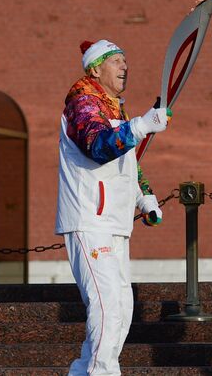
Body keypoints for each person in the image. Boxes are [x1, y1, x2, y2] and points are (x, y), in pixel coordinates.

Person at [55, 39, 170, 375]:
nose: (125, 67)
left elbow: (126, 162)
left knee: (122, 307)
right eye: (117, 61)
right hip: (89, 218)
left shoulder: (114, 107)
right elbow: (97, 147)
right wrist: (140, 125)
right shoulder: (83, 103)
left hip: (115, 222)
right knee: (106, 308)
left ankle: (85, 371)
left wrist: (144, 196)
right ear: (95, 68)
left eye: (125, 61)